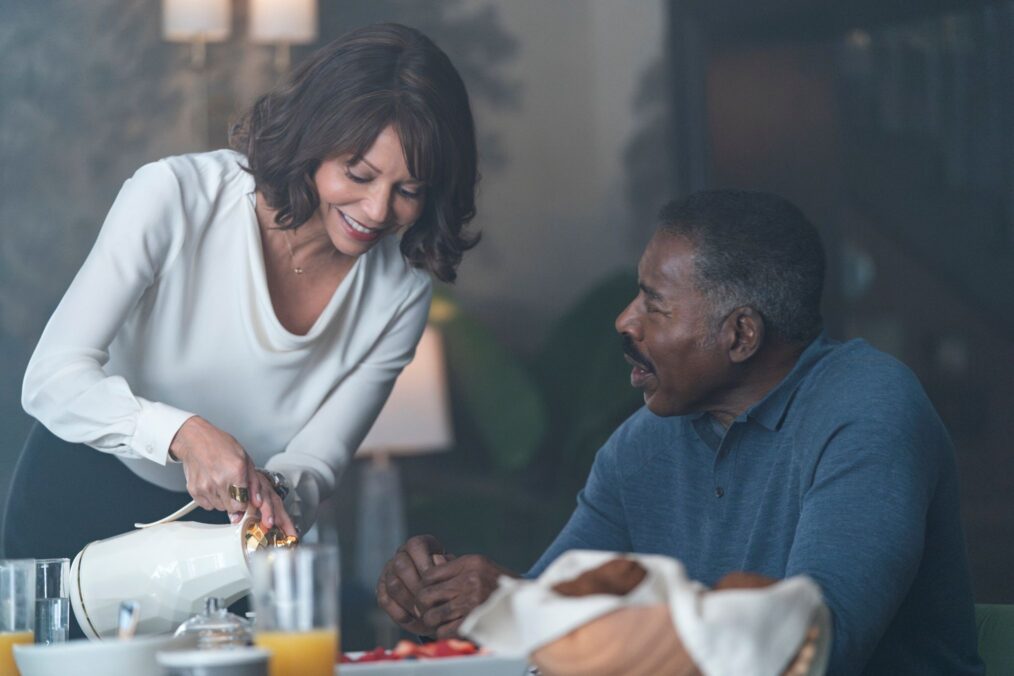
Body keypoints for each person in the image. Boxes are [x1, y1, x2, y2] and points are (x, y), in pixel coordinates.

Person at [376, 190, 984, 675]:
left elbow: (815, 649)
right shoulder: (641, 446)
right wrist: (448, 603)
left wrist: (520, 606)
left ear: (740, 335)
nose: (623, 321)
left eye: (653, 304)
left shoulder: (868, 408)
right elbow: (544, 645)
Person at [3, 23, 478, 567]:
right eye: (359, 173)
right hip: (77, 498)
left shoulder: (402, 292)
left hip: (226, 532)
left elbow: (315, 464)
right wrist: (183, 433)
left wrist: (269, 499)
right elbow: (50, 379)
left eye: (408, 191)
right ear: (314, 139)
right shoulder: (175, 195)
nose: (376, 210)